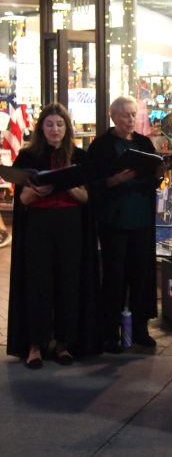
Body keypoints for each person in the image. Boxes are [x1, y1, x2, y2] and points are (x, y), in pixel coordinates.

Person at [7, 103, 101, 369]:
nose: (55, 129)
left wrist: (67, 186)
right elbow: (22, 200)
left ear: (67, 128)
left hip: (70, 226)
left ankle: (63, 344)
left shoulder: (79, 156)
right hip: (38, 225)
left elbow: (85, 198)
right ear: (41, 128)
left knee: (68, 283)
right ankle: (35, 345)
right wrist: (39, 190)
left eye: (60, 124)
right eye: (49, 124)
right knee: (38, 283)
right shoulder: (27, 157)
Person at [87, 96, 165, 354]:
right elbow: (92, 184)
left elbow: (151, 181)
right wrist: (113, 181)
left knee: (141, 275)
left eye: (133, 115)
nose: (131, 120)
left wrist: (159, 174)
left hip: (141, 218)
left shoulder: (143, 143)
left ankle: (140, 329)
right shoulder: (101, 146)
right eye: (125, 115)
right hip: (114, 219)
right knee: (115, 276)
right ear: (113, 117)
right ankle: (110, 333)